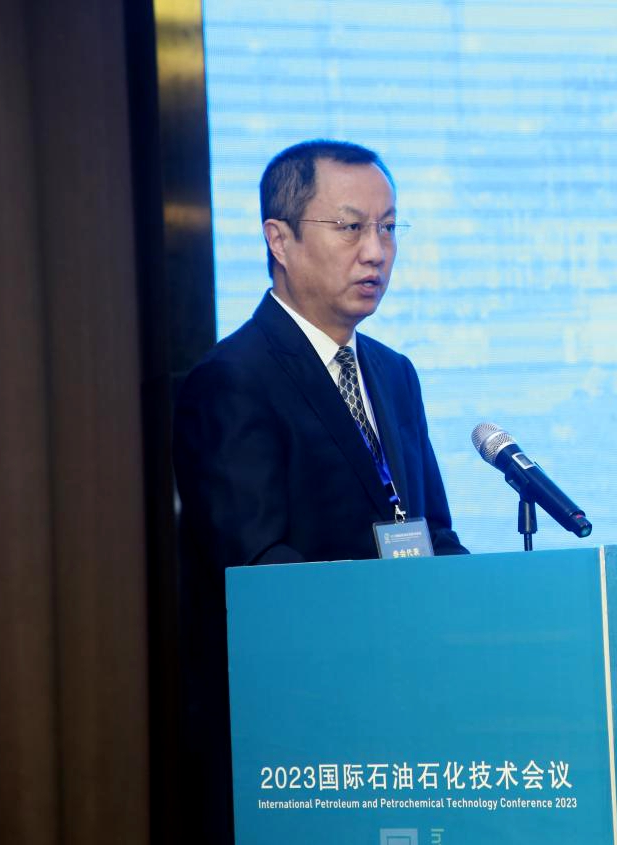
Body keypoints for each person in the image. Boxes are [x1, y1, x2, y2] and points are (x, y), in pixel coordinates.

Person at [172, 139, 468, 842]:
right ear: (279, 239)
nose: (376, 252)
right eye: (351, 227)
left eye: (388, 227)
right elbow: (259, 569)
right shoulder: (232, 380)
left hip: (407, 719)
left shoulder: (394, 373)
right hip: (297, 739)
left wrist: (487, 614)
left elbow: (432, 531)